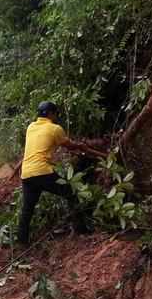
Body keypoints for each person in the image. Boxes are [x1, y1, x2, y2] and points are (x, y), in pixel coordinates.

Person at [17, 101, 102, 245]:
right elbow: (69, 145)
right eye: (55, 113)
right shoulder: (55, 129)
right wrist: (81, 146)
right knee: (70, 193)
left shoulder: (31, 127)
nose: (56, 116)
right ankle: (81, 229)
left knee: (27, 209)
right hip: (42, 172)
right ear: (50, 113)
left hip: (26, 173)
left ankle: (22, 241)